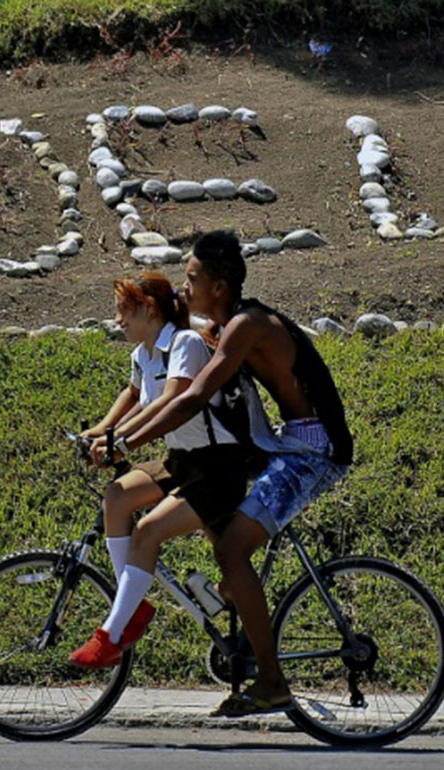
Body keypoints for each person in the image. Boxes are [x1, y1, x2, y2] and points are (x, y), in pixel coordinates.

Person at [99, 230, 353, 718]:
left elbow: (191, 396)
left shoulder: (247, 325)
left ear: (218, 285)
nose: (183, 287)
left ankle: (272, 681)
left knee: (231, 546)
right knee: (225, 531)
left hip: (313, 450)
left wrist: (128, 442)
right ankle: (228, 594)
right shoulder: (225, 323)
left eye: (192, 278)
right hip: (285, 440)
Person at [68, 271, 251, 670]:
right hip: (181, 462)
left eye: (123, 311)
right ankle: (130, 608)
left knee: (148, 531)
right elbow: (135, 395)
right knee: (116, 497)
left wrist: (119, 440)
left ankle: (111, 634)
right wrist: (100, 430)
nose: (118, 320)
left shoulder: (184, 344)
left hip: (218, 467)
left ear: (148, 309)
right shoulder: (144, 353)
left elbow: (168, 402)